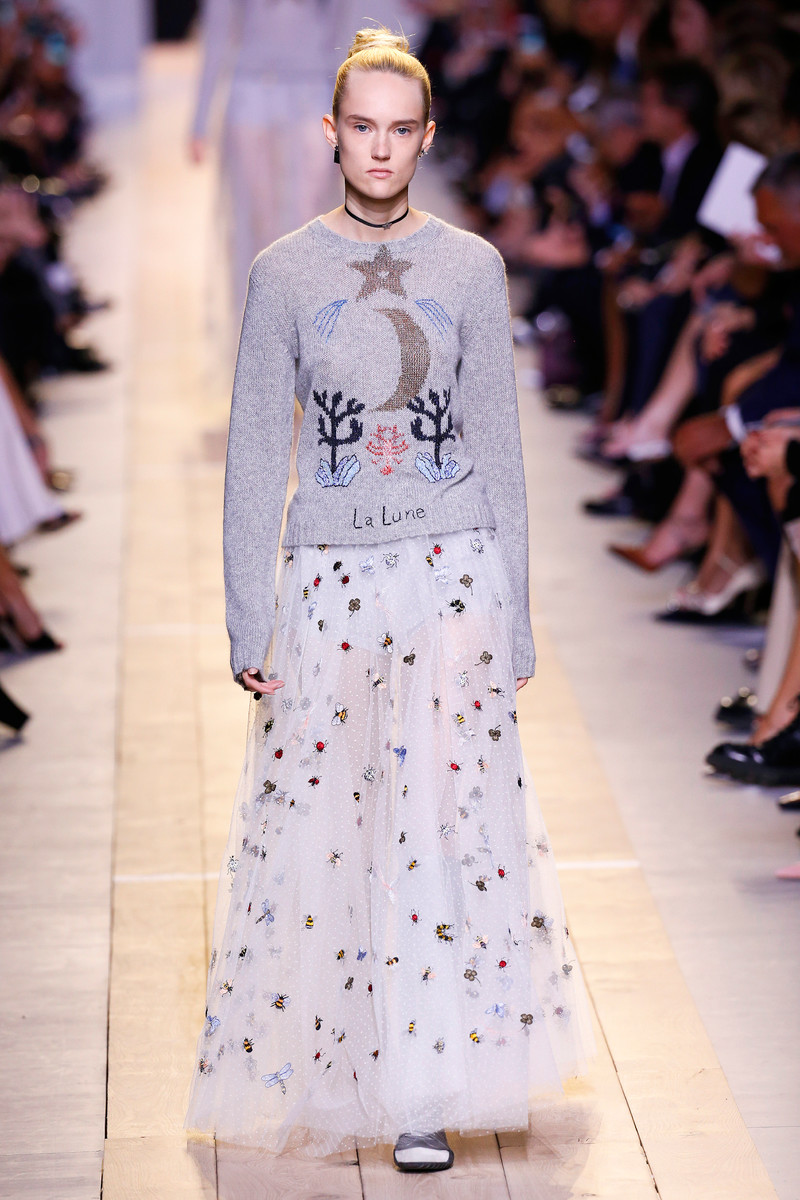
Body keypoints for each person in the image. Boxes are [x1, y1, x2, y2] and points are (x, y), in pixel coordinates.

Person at [183, 26, 594, 1172]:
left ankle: (425, 1087)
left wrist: (517, 609)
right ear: (330, 133)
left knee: (441, 824)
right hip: (327, 575)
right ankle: (347, 1072)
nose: (377, 148)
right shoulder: (283, 271)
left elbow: (498, 445)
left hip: (452, 565)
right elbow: (256, 452)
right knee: (332, 833)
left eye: (398, 129)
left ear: (424, 136)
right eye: (359, 127)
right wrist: (246, 612)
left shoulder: (470, 266)